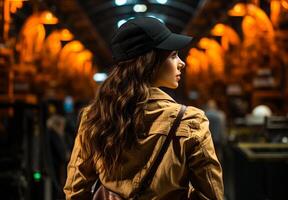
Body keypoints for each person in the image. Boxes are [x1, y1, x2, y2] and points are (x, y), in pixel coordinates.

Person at [64, 17, 223, 200]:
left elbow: (75, 190)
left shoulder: (96, 117)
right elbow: (211, 194)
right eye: (172, 55)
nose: (182, 62)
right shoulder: (191, 121)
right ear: (150, 62)